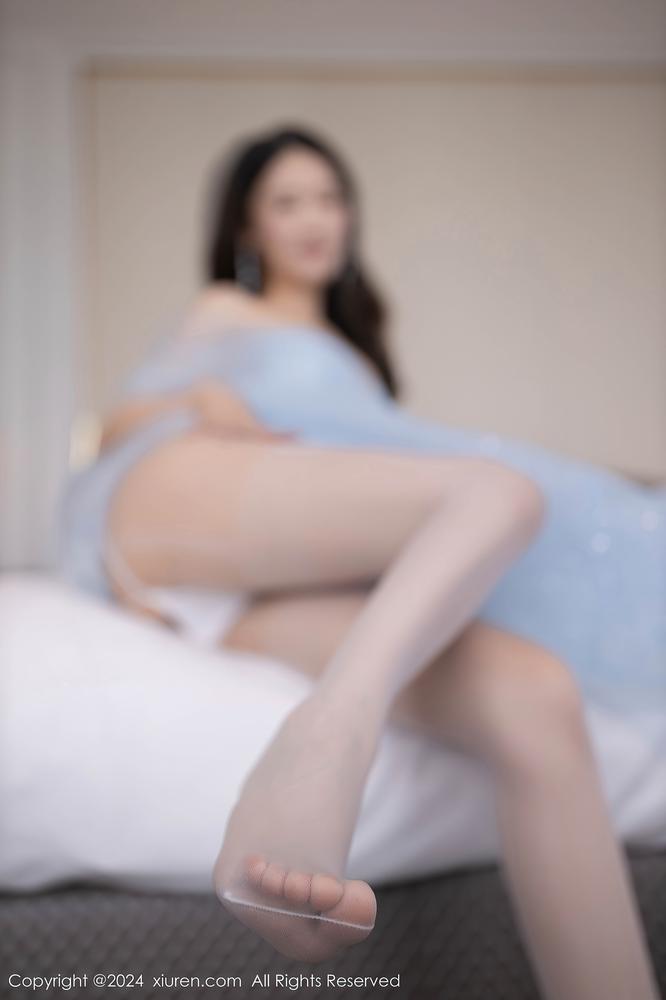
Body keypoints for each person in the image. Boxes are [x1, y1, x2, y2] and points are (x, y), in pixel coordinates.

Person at [57, 125, 664, 997]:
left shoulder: (359, 357)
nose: (315, 219)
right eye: (287, 202)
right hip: (187, 495)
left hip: (267, 582)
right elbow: (118, 426)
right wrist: (199, 395)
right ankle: (328, 741)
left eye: (330, 198)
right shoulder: (224, 310)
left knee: (536, 696)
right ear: (247, 228)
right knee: (499, 494)